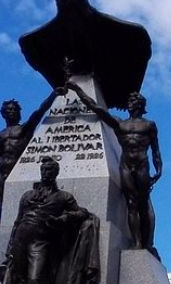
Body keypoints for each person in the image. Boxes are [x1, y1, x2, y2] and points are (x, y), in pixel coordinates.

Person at [69, 84, 162, 251]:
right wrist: (78, 90)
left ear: (141, 105)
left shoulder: (149, 125)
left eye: (135, 101)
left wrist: (159, 169)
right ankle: (137, 242)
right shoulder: (120, 123)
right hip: (126, 164)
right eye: (130, 101)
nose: (131, 104)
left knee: (142, 204)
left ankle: (147, 243)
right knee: (131, 204)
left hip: (142, 165)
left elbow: (155, 150)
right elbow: (97, 108)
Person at [0, 88, 62, 225]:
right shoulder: (0, 134)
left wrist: (53, 94)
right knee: (0, 204)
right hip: (0, 170)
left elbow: (39, 112)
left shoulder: (25, 128)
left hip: (17, 169)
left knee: (20, 203)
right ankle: (0, 229)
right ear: (3, 114)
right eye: (9, 110)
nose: (12, 112)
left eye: (14, 110)